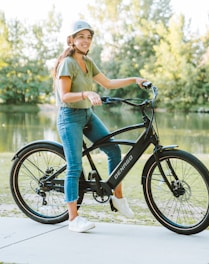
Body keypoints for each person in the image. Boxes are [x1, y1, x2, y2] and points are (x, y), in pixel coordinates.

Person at [53, 20, 148, 233]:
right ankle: (73, 219)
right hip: (69, 117)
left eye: (89, 37)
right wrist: (86, 93)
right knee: (75, 167)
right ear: (72, 40)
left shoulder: (88, 61)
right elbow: (64, 96)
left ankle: (117, 196)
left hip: (87, 114)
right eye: (81, 37)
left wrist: (135, 79)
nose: (86, 41)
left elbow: (108, 83)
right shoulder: (67, 63)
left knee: (113, 149)